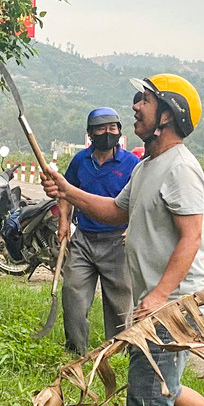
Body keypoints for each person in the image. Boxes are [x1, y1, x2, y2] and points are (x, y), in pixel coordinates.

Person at [42, 74, 204, 406]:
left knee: (151, 381)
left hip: (180, 300)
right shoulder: (145, 167)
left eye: (144, 100)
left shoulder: (180, 168)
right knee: (158, 380)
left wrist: (159, 295)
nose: (135, 107)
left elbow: (192, 236)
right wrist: (68, 190)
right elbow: (113, 211)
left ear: (168, 113)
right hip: (161, 296)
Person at [56, 108, 139, 353]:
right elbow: (66, 192)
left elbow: (139, 200)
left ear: (120, 132)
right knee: (73, 293)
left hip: (117, 241)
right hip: (83, 239)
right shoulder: (80, 160)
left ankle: (117, 353)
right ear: (91, 133)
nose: (107, 133)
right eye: (101, 129)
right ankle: (75, 351)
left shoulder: (132, 164)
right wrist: (63, 221)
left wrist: (131, 228)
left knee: (120, 301)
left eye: (112, 128)